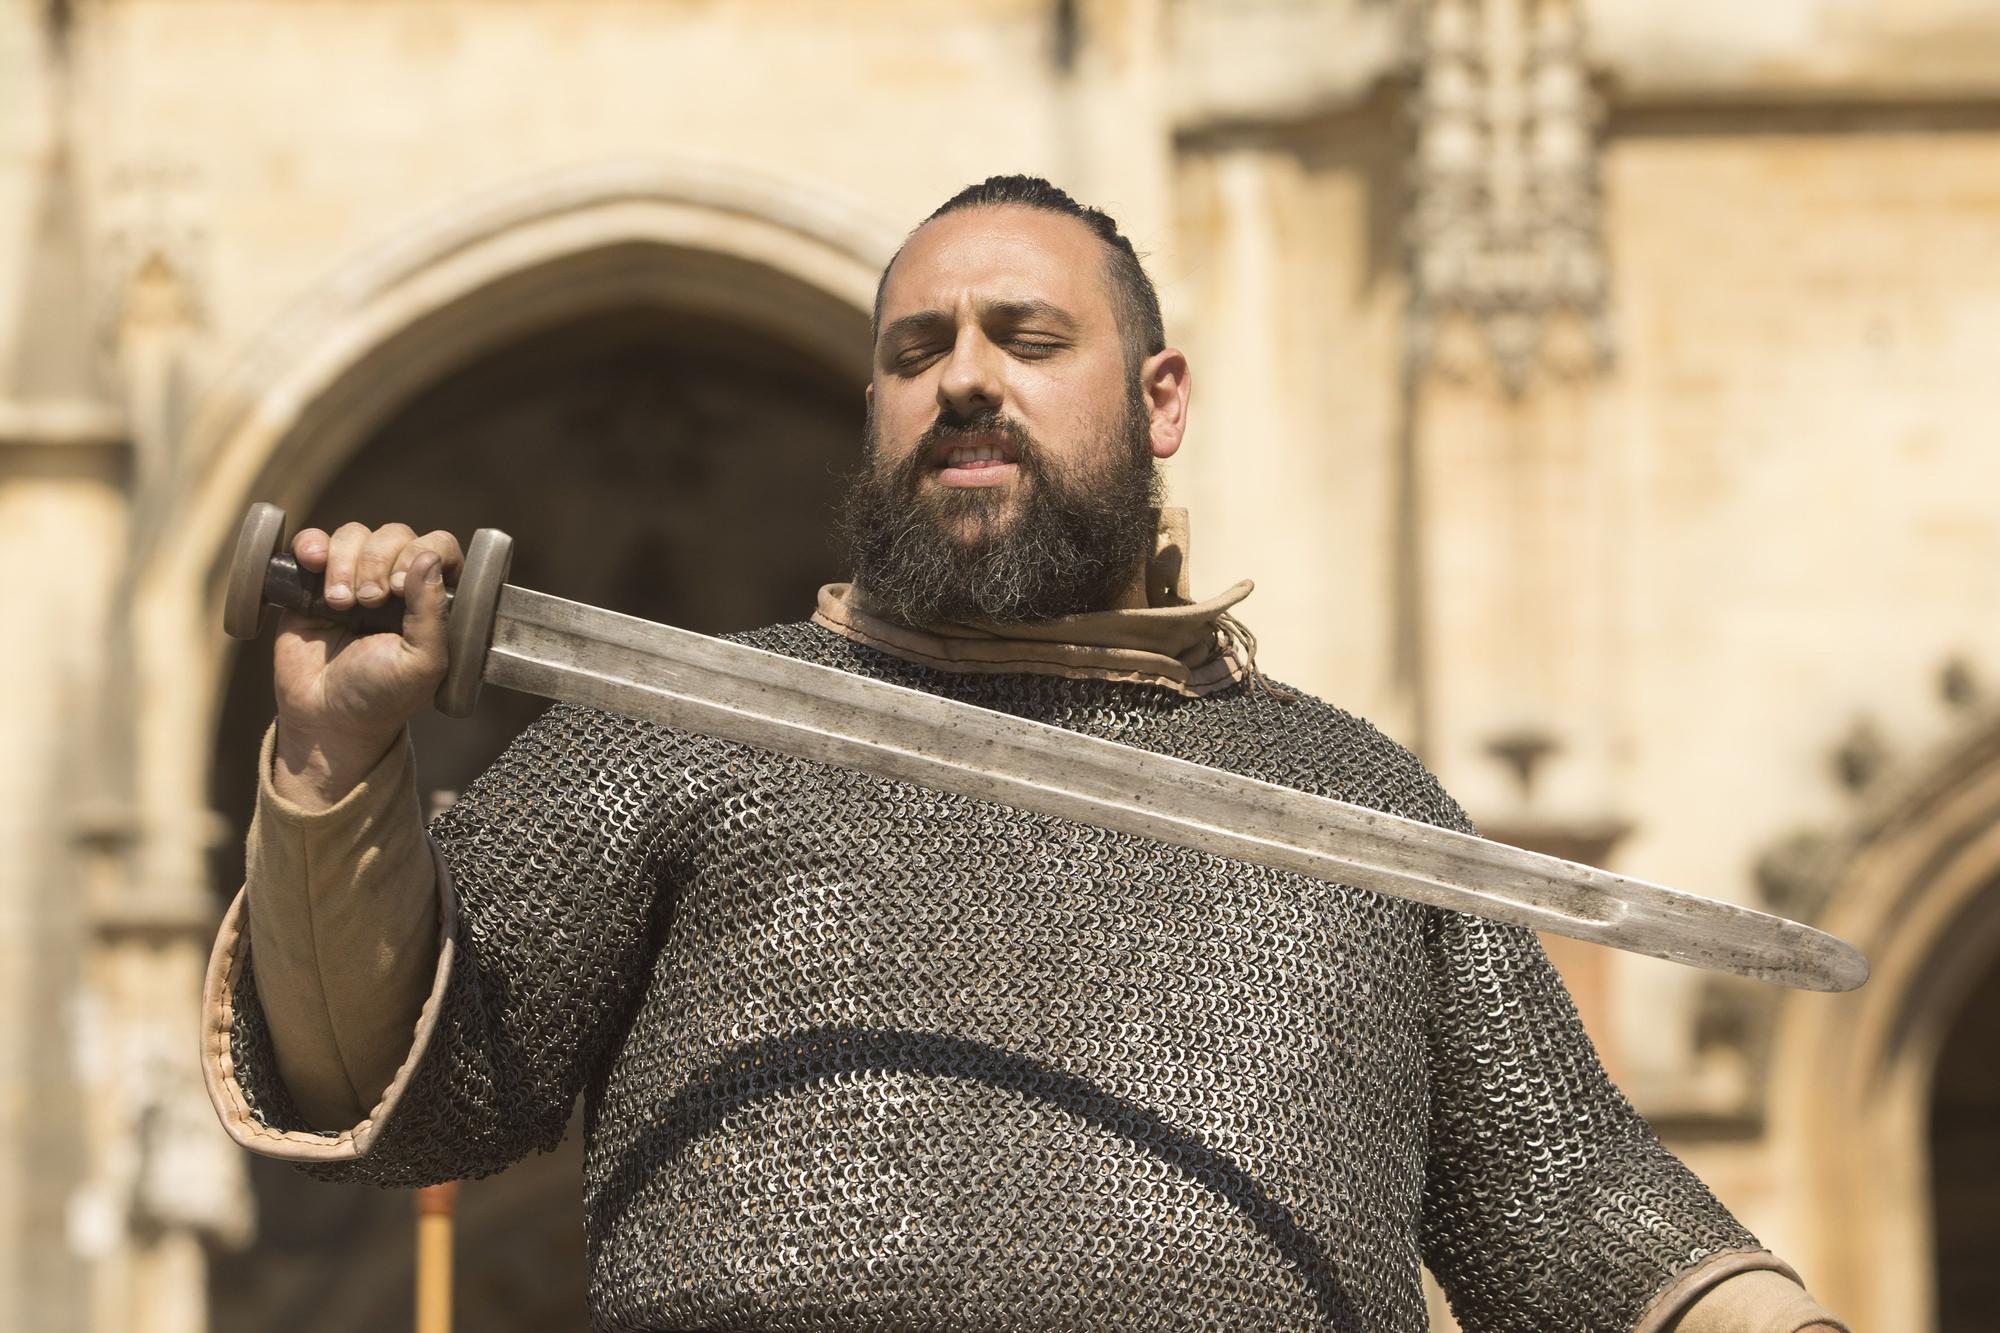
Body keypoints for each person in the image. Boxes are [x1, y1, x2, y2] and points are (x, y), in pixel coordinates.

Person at [201, 176, 1847, 1332]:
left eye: (1024, 340)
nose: (965, 381)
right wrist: (333, 770)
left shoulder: (1345, 800)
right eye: (918, 354)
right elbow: (398, 1079)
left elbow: (1560, 1203)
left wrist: (1754, 1308)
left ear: (1160, 397)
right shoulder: (685, 737)